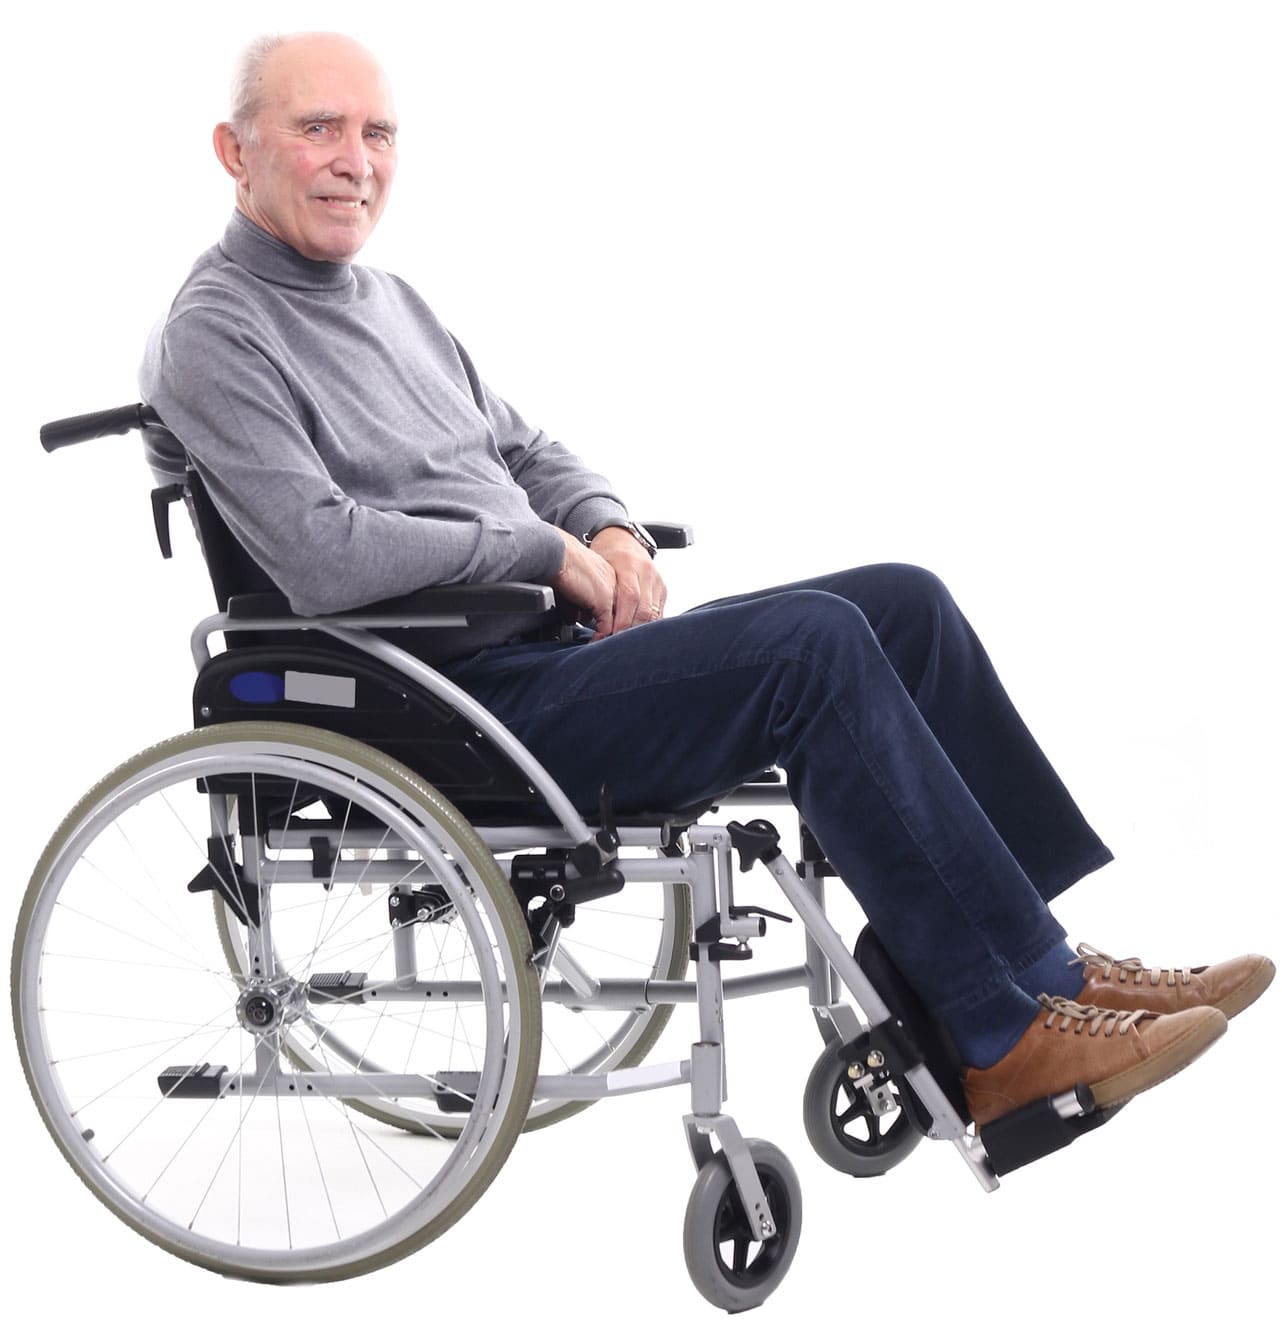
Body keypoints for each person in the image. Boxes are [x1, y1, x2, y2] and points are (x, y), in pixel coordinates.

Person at [140, 30, 1271, 1130]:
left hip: (546, 656)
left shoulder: (393, 302)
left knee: (902, 601)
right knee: (811, 646)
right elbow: (323, 553)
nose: (358, 159)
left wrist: (607, 525)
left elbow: (525, 452)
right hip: (454, 705)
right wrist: (540, 552)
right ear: (235, 151)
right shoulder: (218, 331)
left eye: (379, 131)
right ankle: (1002, 1033)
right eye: (319, 127)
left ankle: (1046, 963)